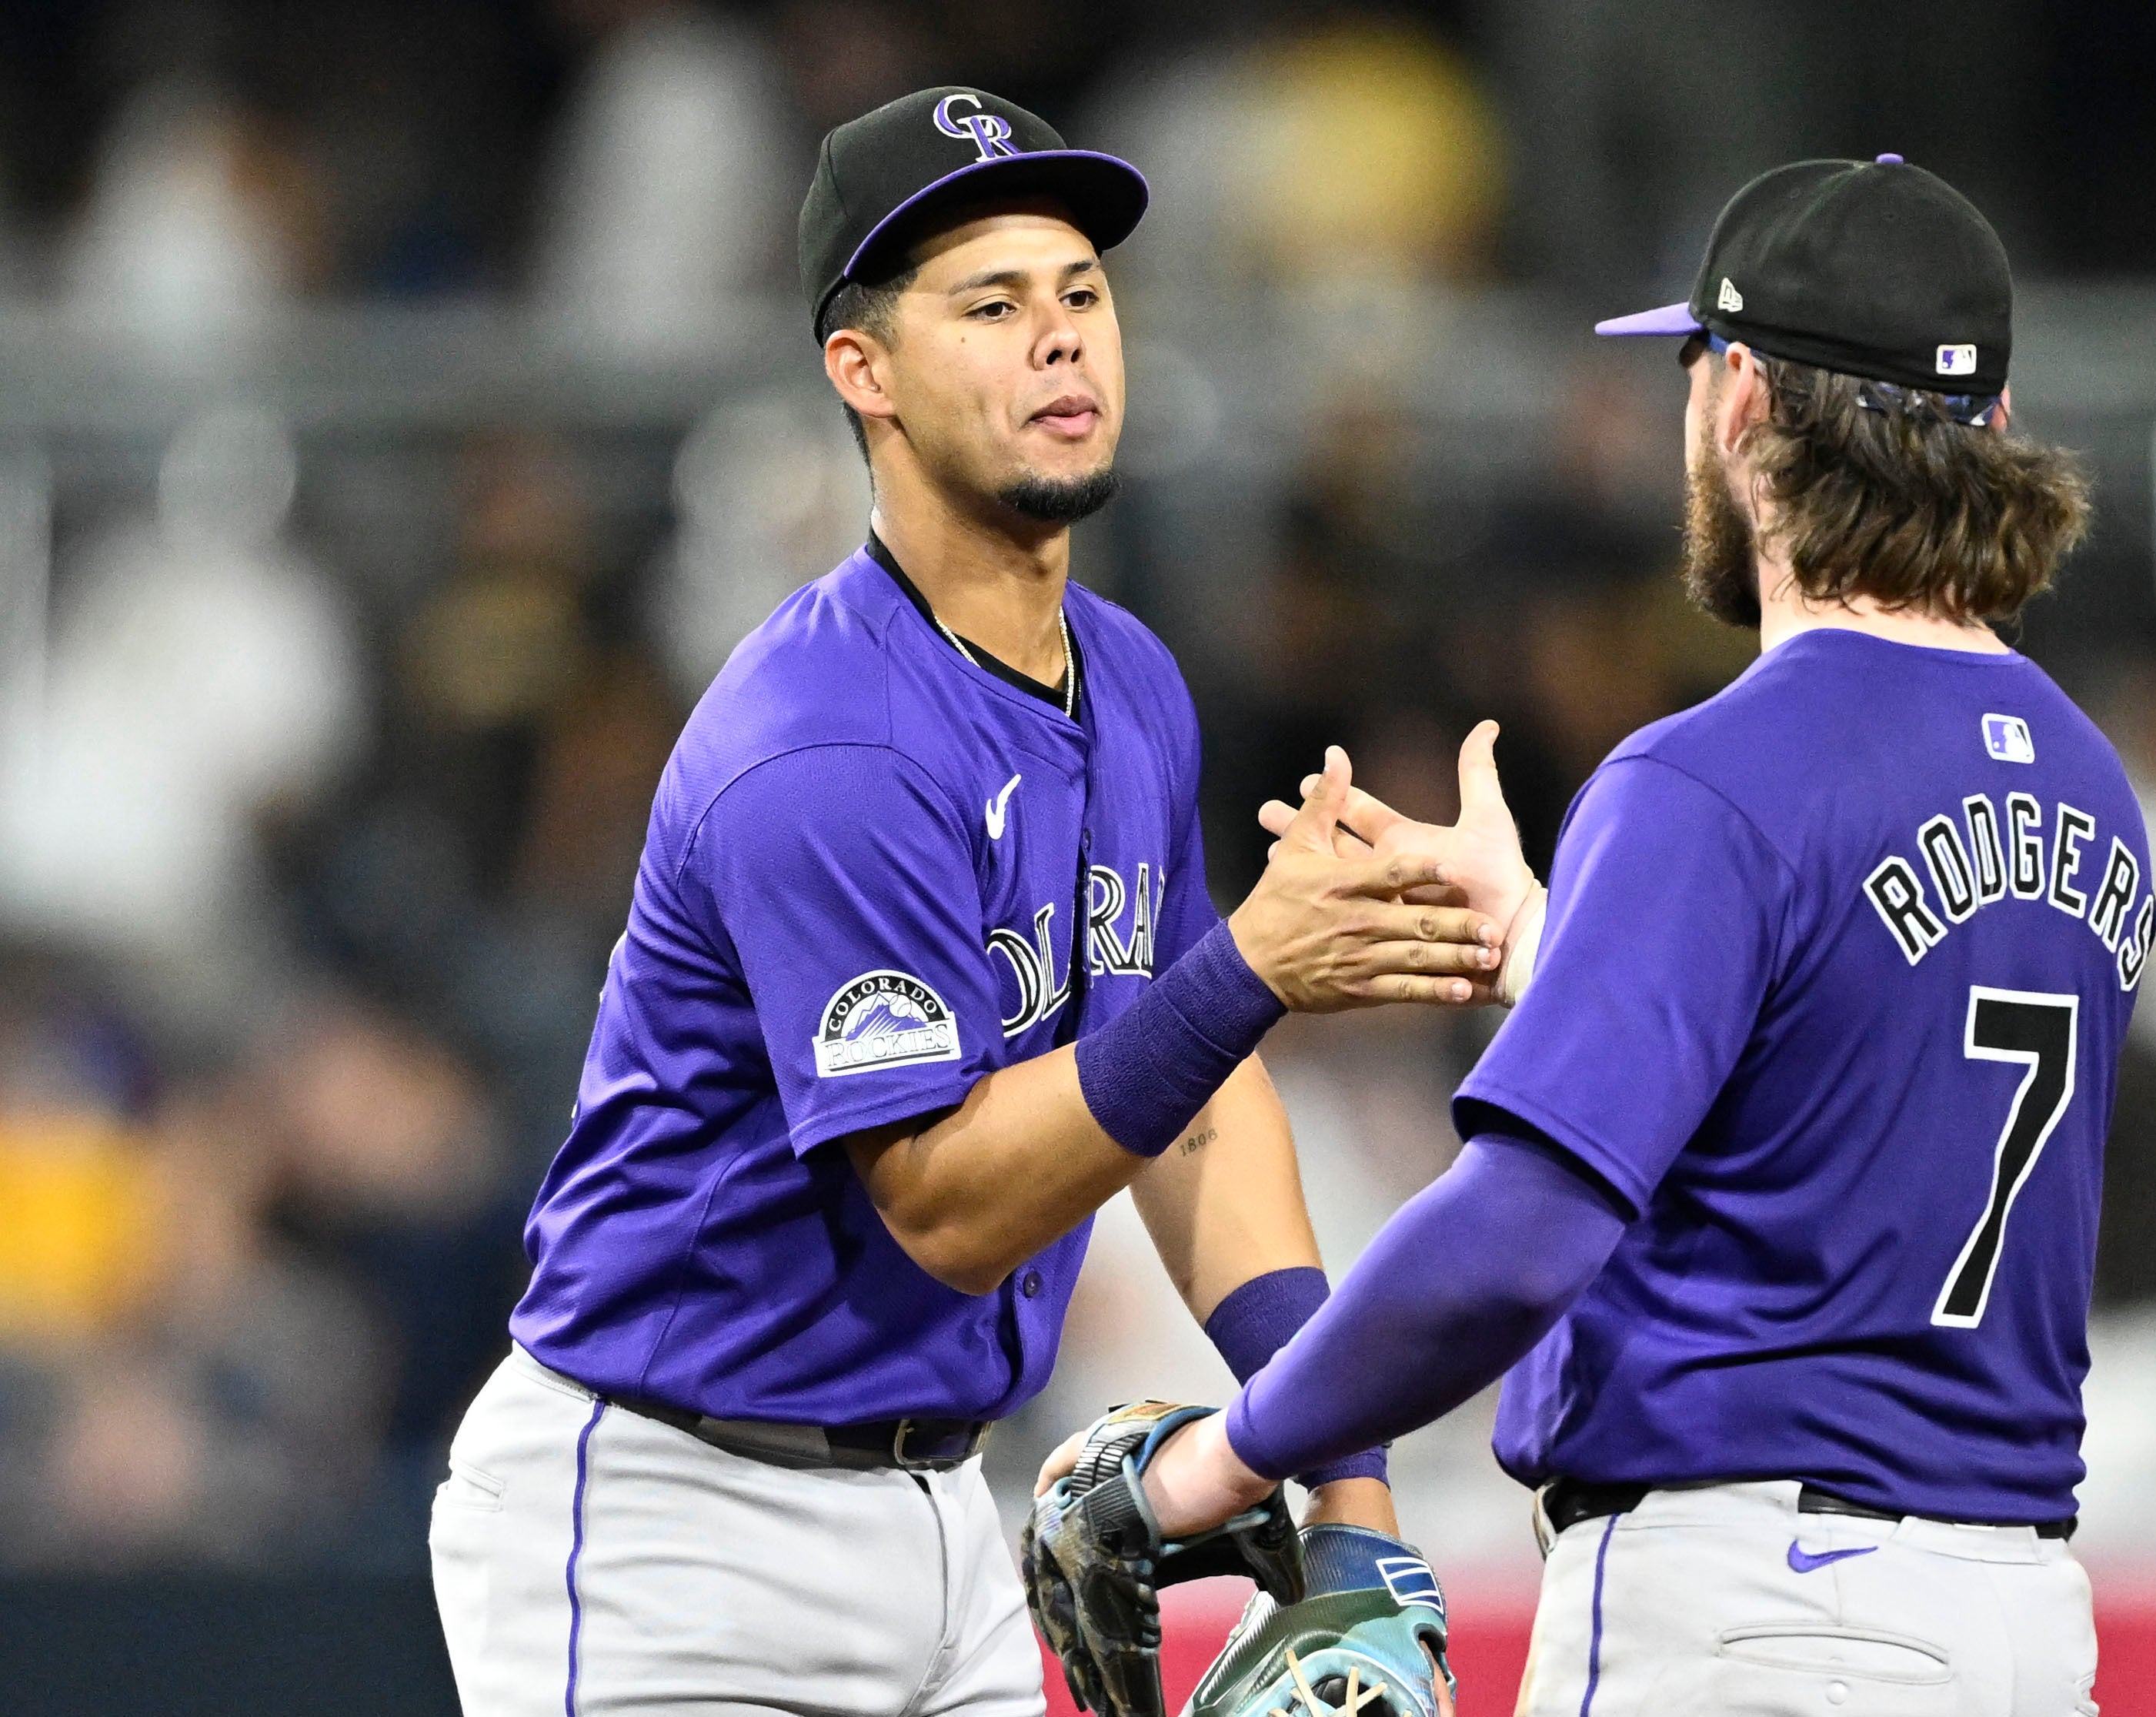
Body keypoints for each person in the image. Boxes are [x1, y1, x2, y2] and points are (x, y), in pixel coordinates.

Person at [427, 87, 1501, 1717]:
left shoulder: (1129, 685)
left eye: (1080, 295)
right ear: (863, 371)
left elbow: (1189, 1117)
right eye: (991, 307)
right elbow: (941, 1210)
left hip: (939, 1511)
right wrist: (1257, 970)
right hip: (672, 1516)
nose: (1060, 342)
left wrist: (1346, 1497)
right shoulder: (822, 742)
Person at [1119, 157, 2152, 1716]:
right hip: (2018, 1618)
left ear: (1740, 400)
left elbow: (1517, 1240)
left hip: (1759, 1617)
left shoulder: (1712, 775)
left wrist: (1227, 1453)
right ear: (1992, 432)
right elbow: (1840, 1093)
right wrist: (1554, 939)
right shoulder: (2092, 780)